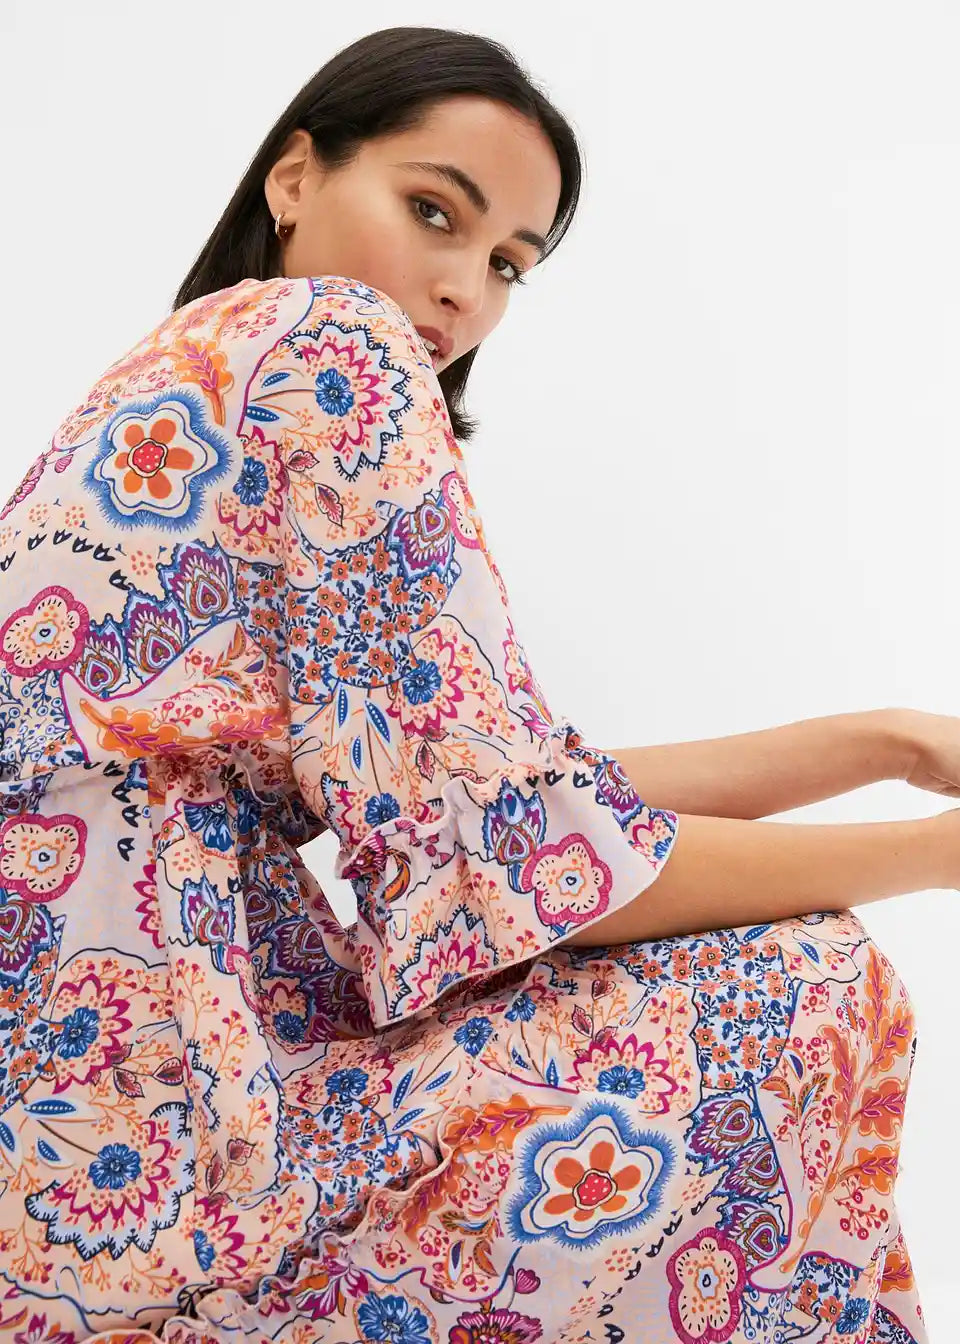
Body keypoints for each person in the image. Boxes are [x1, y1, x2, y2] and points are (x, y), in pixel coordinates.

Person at [0, 24, 937, 1344]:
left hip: (74, 1097)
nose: (461, 291)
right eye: (434, 212)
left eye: (507, 264)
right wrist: (937, 855)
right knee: (799, 986)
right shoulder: (327, 340)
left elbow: (505, 803)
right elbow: (519, 846)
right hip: (142, 1119)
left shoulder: (208, 372)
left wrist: (886, 743)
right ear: (294, 179)